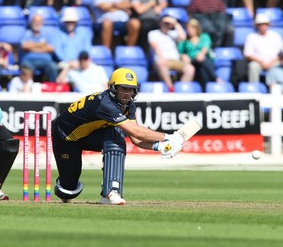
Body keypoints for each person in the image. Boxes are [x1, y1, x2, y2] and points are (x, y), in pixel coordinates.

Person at [52, 68, 185, 205]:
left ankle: (110, 192)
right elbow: (136, 131)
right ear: (113, 88)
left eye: (131, 89)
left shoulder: (128, 106)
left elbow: (137, 140)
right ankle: (66, 185)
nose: (128, 94)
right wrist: (167, 136)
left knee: (116, 133)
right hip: (67, 137)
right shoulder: (105, 103)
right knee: (68, 190)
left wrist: (160, 146)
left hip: (90, 134)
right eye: (124, 89)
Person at [148, 15, 195, 92]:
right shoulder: (153, 33)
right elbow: (155, 46)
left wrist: (175, 23)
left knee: (190, 69)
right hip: (163, 61)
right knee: (161, 63)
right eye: (165, 22)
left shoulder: (173, 34)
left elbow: (183, 37)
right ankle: (170, 88)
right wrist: (161, 57)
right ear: (160, 23)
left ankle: (180, 89)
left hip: (175, 61)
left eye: (168, 23)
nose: (167, 24)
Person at [178, 18, 219, 91]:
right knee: (201, 62)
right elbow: (179, 52)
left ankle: (205, 90)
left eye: (191, 28)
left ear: (196, 28)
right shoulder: (185, 41)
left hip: (204, 60)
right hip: (192, 61)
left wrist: (201, 54)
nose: (189, 30)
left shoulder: (204, 36)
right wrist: (183, 56)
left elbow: (206, 47)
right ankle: (215, 78)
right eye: (188, 28)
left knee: (202, 65)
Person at [243, 13, 283, 83]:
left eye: (265, 24)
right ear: (257, 26)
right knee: (253, 66)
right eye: (260, 24)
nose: (263, 26)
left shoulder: (275, 36)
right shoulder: (251, 37)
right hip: (258, 62)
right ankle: (254, 88)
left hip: (274, 62)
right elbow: (248, 54)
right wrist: (261, 62)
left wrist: (271, 62)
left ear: (269, 25)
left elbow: (282, 52)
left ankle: (281, 88)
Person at [19, 13, 58, 82]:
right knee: (26, 70)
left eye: (39, 22)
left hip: (46, 61)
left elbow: (51, 48)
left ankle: (52, 88)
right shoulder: (27, 33)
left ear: (42, 23)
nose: (37, 23)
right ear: (31, 22)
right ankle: (26, 89)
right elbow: (24, 46)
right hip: (29, 61)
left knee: (53, 67)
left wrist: (32, 48)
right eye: (35, 21)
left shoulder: (46, 34)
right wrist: (41, 45)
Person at [55, 8, 92, 74]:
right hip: (65, 63)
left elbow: (87, 50)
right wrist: (70, 62)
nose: (70, 24)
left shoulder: (84, 33)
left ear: (75, 22)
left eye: (72, 22)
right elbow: (58, 52)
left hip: (81, 62)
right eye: (67, 22)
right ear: (64, 23)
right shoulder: (58, 34)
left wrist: (80, 61)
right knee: (66, 68)